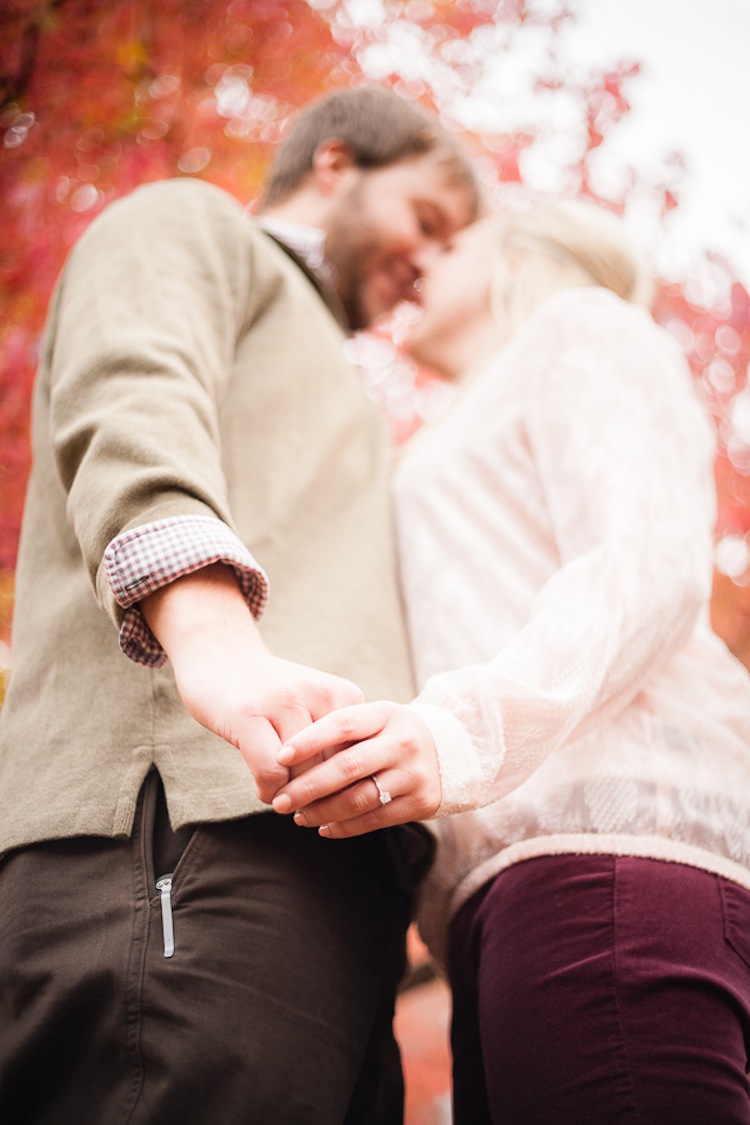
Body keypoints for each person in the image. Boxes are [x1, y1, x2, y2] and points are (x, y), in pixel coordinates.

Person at [0, 87, 481, 1124]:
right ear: (339, 163)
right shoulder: (191, 220)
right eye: (428, 219)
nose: (428, 264)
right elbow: (133, 390)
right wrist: (215, 643)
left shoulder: (347, 392)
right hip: (183, 821)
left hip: (329, 884)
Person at [272, 201, 750, 1123]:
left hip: (606, 859)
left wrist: (457, 732)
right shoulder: (471, 409)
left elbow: (644, 561)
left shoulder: (581, 326)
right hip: (514, 894)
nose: (419, 262)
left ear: (524, 252)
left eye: (450, 241)